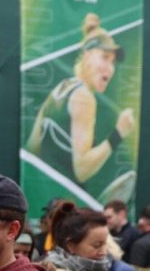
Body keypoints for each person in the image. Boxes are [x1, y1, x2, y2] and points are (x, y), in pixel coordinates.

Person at [26, 13, 135, 189]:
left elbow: (31, 148)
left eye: (113, 61)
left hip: (45, 197)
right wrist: (119, 133)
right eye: (105, 57)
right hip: (63, 202)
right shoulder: (84, 97)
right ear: (86, 56)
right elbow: (82, 170)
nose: (110, 67)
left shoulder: (63, 86)